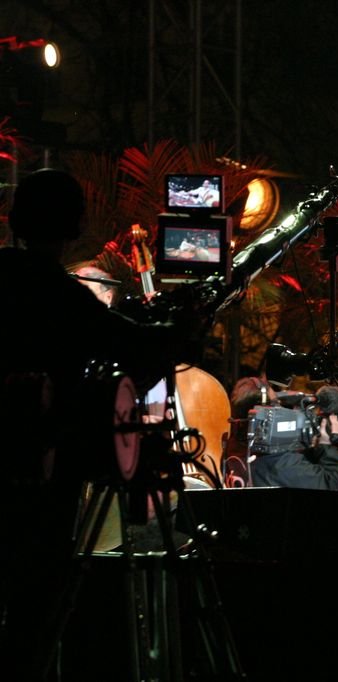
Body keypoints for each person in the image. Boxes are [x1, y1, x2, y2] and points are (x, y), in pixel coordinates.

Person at [0, 168, 207, 678]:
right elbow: (135, 348)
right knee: (36, 606)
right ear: (73, 224)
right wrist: (183, 324)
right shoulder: (53, 290)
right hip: (39, 476)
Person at [231, 376, 338, 491]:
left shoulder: (230, 451)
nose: (281, 410)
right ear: (263, 412)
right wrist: (326, 445)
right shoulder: (280, 464)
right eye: (276, 405)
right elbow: (335, 485)